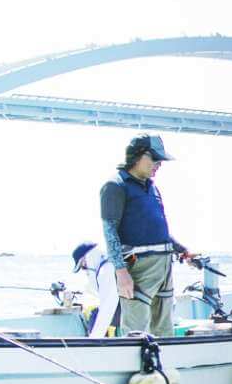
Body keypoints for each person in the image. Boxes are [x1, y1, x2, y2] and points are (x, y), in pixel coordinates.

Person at [99, 135, 189, 337]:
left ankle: (164, 367)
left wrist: (183, 251)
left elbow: (160, 231)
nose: (159, 165)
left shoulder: (152, 187)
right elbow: (109, 231)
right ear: (137, 156)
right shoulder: (115, 186)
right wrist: (121, 273)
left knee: (164, 330)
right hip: (138, 268)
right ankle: (135, 367)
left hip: (164, 268)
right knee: (136, 331)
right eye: (155, 159)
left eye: (161, 160)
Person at [71, 242, 119, 336]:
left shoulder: (106, 269)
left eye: (84, 267)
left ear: (88, 258)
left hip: (131, 308)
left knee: (96, 314)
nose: (86, 271)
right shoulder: (109, 261)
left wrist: (95, 338)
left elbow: (108, 305)